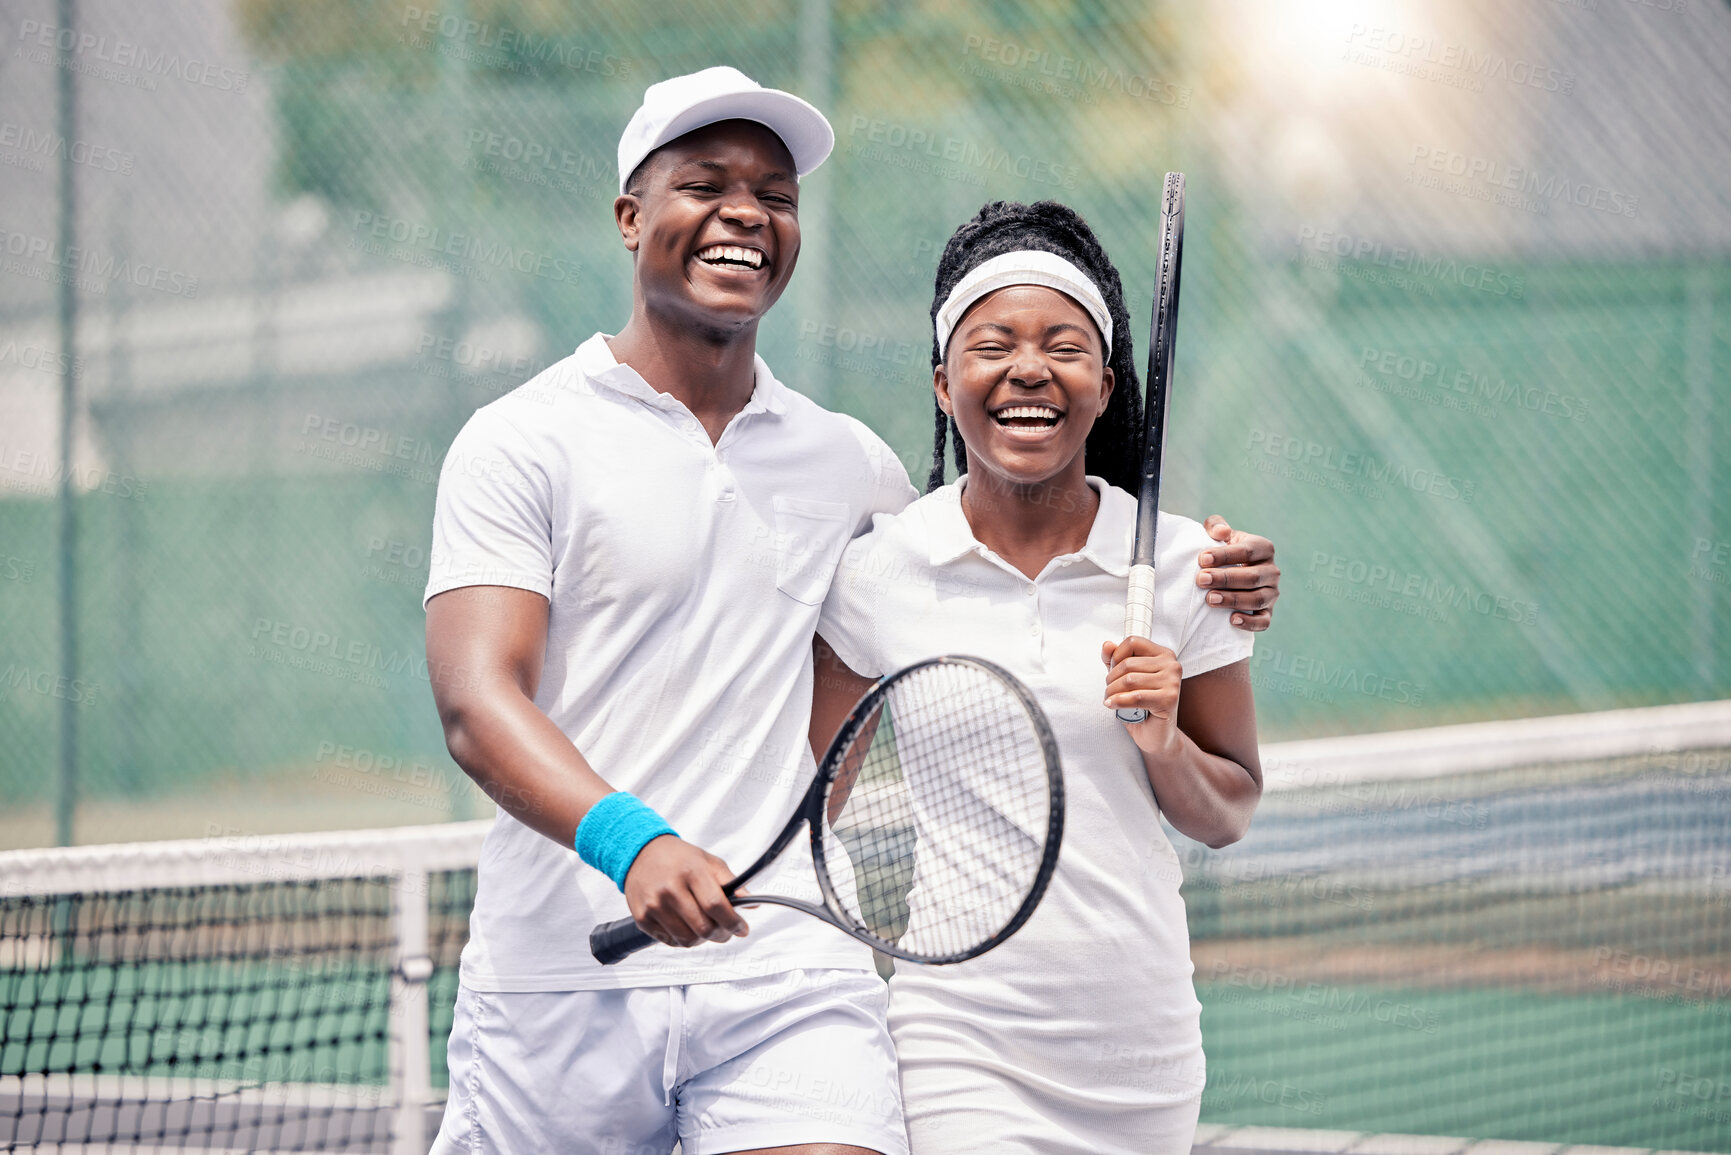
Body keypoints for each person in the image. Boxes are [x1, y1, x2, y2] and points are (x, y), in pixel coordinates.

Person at [423, 66, 1280, 1154]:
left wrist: (1229, 581)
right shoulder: (520, 441)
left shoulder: (852, 472)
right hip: (560, 976)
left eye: (775, 196)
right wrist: (632, 843)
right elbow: (474, 702)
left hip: (787, 979)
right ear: (631, 219)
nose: (746, 213)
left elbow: (999, 550)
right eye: (706, 183)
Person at [811, 200, 1264, 1155]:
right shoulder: (878, 572)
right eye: (993, 345)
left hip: (1140, 1051)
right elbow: (810, 793)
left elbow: (1226, 812)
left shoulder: (1186, 568)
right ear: (944, 383)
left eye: (1063, 346)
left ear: (1103, 385)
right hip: (956, 1039)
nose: (1028, 369)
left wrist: (1163, 740)